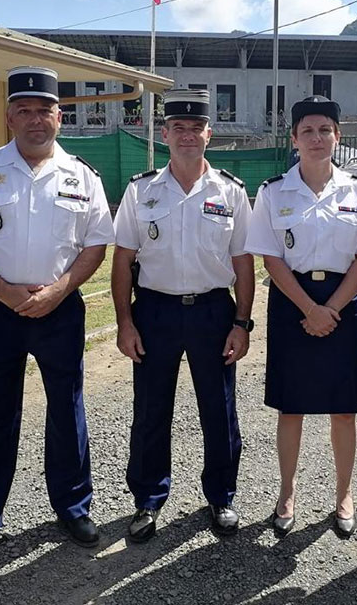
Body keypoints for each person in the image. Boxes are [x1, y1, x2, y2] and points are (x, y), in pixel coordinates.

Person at [0, 67, 114, 569]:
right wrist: (6, 292)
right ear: (10, 116)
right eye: (25, 110)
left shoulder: (83, 175)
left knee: (67, 409)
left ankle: (73, 508)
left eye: (46, 110)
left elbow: (96, 245)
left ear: (60, 115)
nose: (36, 120)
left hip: (60, 309)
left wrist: (58, 290)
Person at [111, 88, 255, 542]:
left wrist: (242, 323)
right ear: (164, 133)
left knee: (219, 410)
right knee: (152, 411)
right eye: (179, 128)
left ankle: (221, 496)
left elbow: (244, 263)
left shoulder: (231, 192)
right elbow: (121, 260)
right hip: (154, 311)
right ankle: (148, 501)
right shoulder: (141, 191)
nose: (188, 135)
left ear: (209, 134)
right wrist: (125, 322)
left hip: (214, 311)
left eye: (196, 128)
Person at [244, 96, 357, 539]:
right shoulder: (272, 192)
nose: (317, 138)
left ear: (337, 136)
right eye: (307, 130)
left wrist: (331, 309)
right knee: (292, 408)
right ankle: (286, 494)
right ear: (294, 138)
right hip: (293, 303)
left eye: (325, 129)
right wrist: (310, 309)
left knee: (344, 410)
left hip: (344, 302)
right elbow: (269, 259)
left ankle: (344, 495)